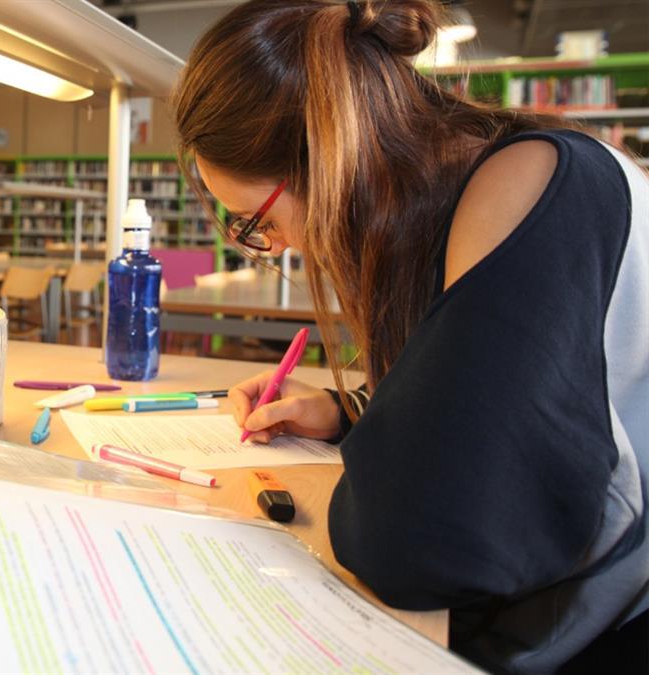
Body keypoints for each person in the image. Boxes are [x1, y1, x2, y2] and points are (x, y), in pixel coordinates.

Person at [173, 1, 648, 672]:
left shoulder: (529, 184)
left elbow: (426, 539)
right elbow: (499, 386)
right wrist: (352, 409)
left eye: (258, 221)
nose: (273, 249)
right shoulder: (465, 186)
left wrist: (385, 453)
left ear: (329, 160)